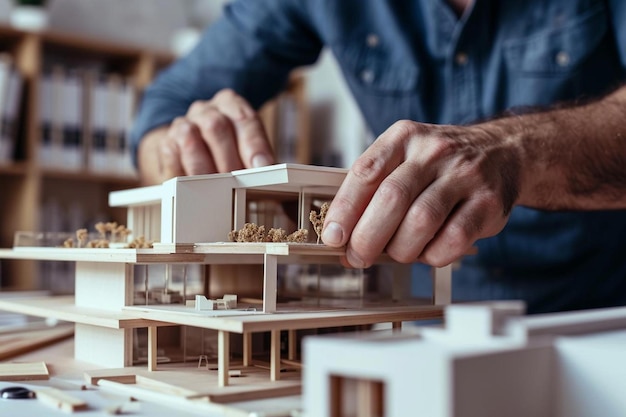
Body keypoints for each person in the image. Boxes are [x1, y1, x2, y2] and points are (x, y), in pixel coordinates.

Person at [131, 0, 626, 314]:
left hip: (603, 310)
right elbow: (162, 110)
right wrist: (178, 154)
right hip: (425, 314)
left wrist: (519, 153)